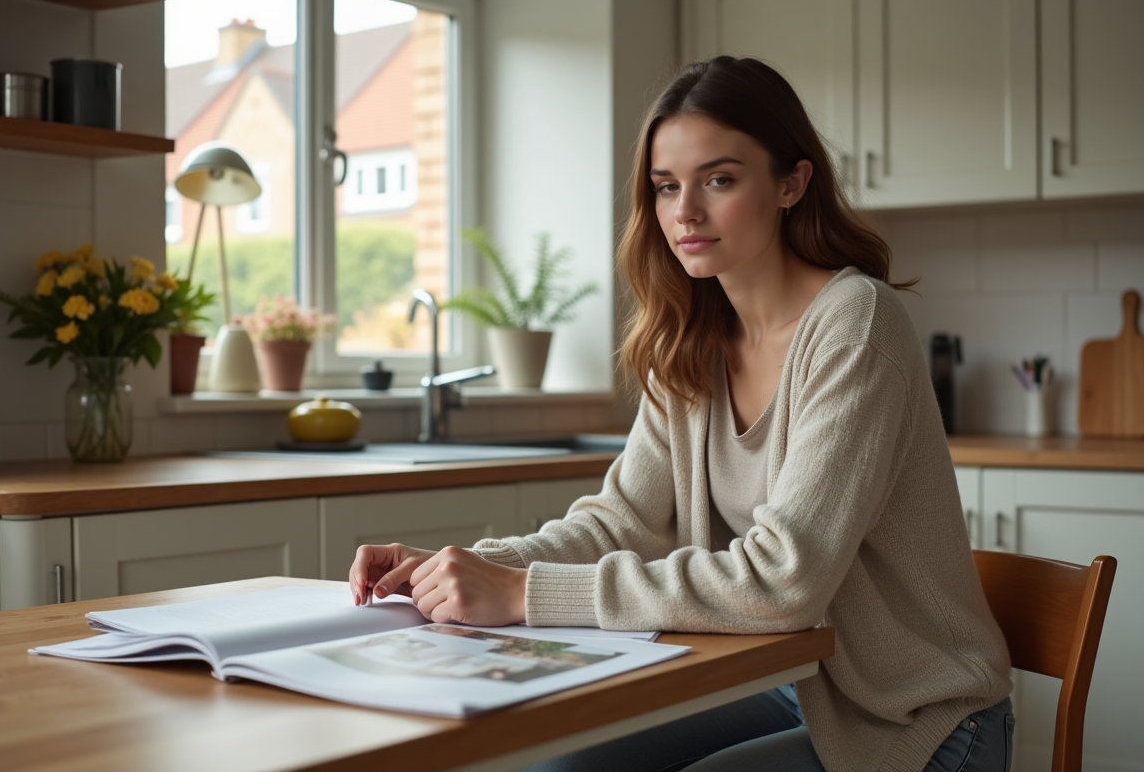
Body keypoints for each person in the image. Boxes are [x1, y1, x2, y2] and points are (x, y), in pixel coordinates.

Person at [349, 56, 1014, 772]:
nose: (684, 212)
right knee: (562, 766)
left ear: (791, 184)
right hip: (789, 680)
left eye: (718, 180)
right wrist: (469, 568)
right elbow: (619, 523)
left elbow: (783, 582)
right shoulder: (691, 341)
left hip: (917, 715)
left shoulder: (856, 324)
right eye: (667, 186)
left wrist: (521, 593)